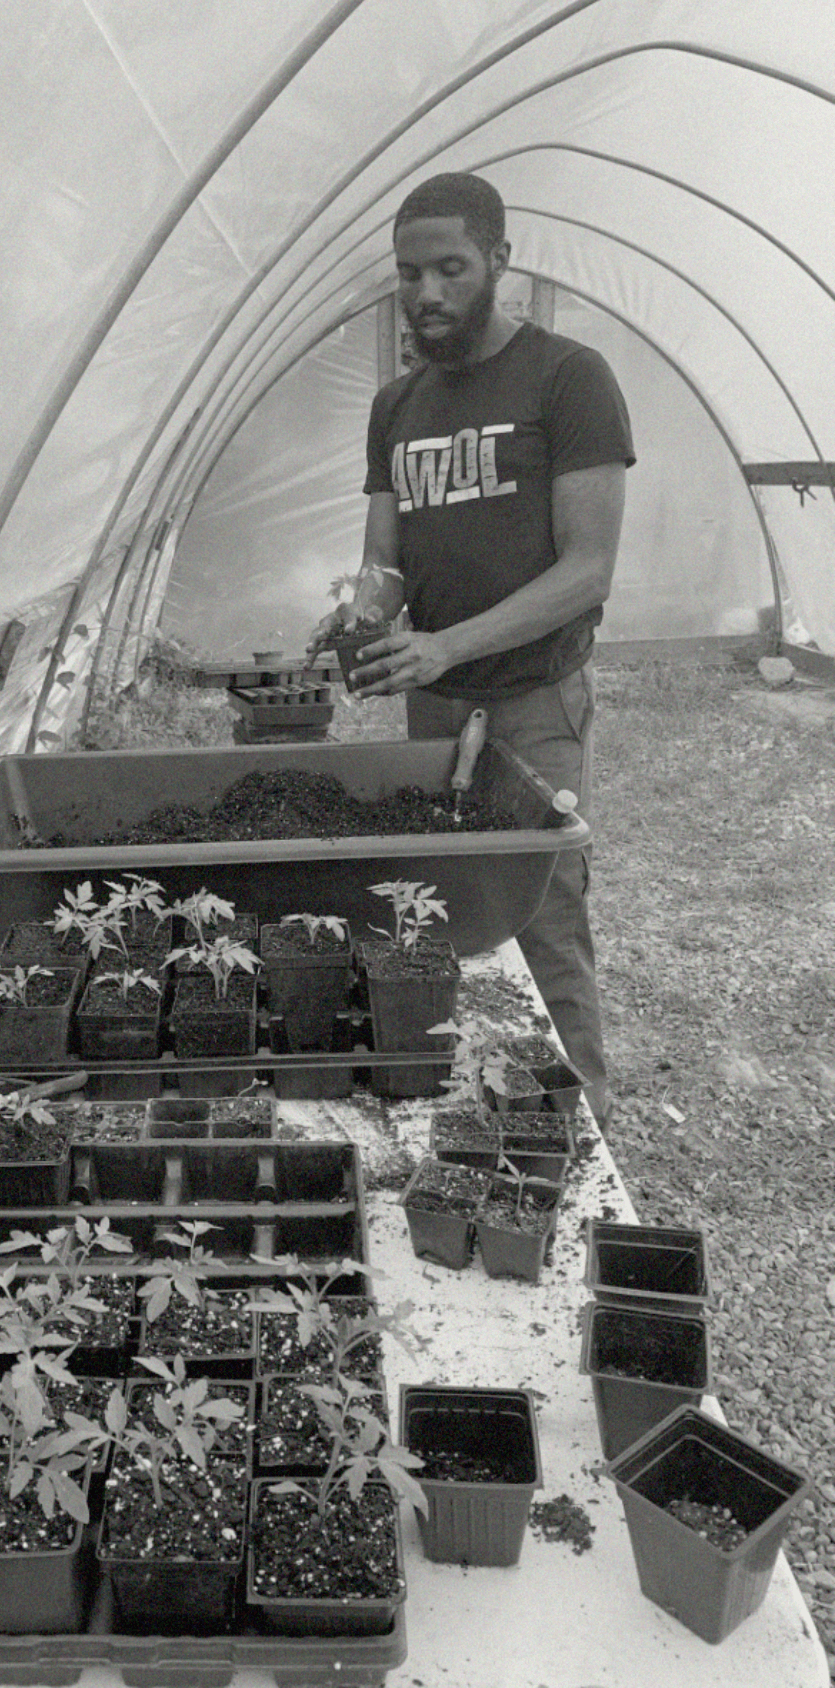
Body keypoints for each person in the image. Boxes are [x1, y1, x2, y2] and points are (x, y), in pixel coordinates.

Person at [308, 171, 634, 1129]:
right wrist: (358, 616)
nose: (428, 293)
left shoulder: (569, 378)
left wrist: (446, 645)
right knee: (439, 912)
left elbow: (588, 571)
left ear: (500, 258)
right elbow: (384, 558)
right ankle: (468, 1105)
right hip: (436, 708)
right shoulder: (396, 406)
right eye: (410, 273)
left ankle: (579, 1132)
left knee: (544, 916)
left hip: (533, 699)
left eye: (451, 268)